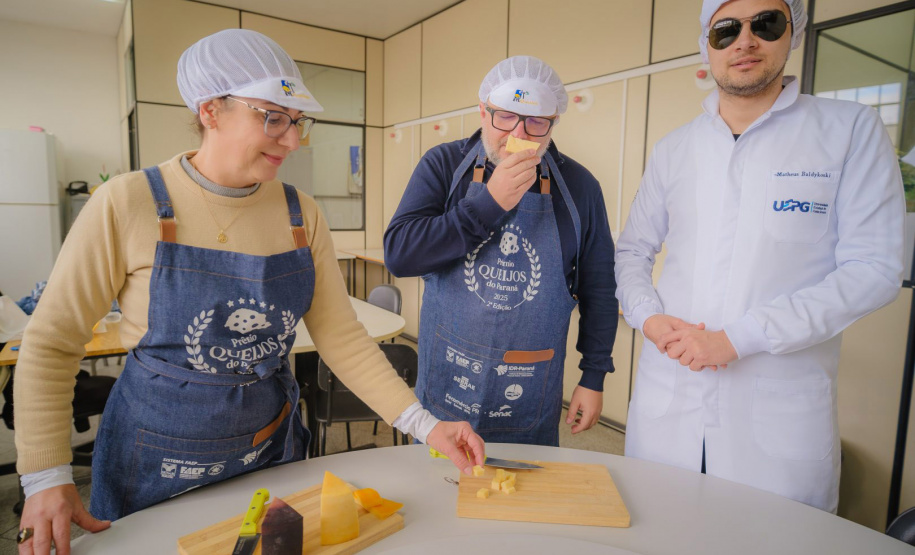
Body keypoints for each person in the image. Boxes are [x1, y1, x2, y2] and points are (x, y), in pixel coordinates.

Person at [13, 29, 484, 553]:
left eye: (297, 120)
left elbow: (342, 339)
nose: (292, 140)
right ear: (210, 110)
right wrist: (45, 476)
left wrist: (425, 424)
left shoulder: (300, 213)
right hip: (153, 460)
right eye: (273, 117)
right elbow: (52, 343)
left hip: (268, 452)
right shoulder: (128, 203)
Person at [615, 0, 905, 513]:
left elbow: (874, 269)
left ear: (793, 32)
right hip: (670, 398)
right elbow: (632, 251)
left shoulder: (847, 131)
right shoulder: (674, 148)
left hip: (776, 422)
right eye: (726, 30)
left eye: (765, 23)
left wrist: (738, 338)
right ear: (708, 45)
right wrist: (650, 318)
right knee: (658, 530)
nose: (745, 41)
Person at [384, 56, 618, 446]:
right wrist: (488, 203)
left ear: (554, 123)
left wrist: (593, 376)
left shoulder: (579, 188)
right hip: (445, 391)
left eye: (535, 122)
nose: (518, 134)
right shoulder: (444, 166)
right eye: (505, 117)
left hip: (528, 396)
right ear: (482, 111)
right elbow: (400, 254)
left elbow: (599, 288)